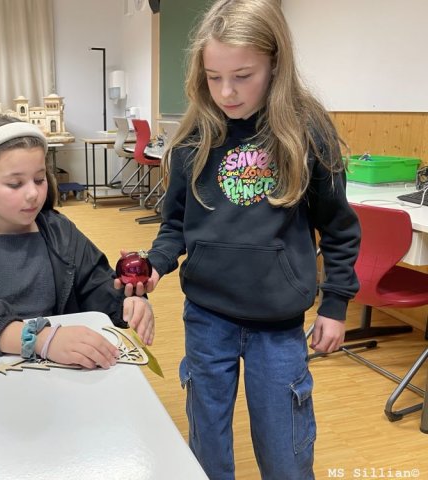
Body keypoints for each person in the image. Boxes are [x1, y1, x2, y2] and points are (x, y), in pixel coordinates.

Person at [118, 1, 360, 478]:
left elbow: (338, 227)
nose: (226, 92)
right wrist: (156, 264)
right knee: (207, 448)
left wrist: (334, 305)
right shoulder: (194, 137)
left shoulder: (308, 132)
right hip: (207, 315)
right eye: (214, 77)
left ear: (275, 65)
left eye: (243, 76)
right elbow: (175, 223)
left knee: (285, 453)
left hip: (278, 323)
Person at [0, 115, 154, 369]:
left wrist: (126, 302)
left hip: (55, 370)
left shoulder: (59, 231)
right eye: (15, 183)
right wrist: (40, 339)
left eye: (39, 180)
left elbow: (95, 282)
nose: (33, 194)